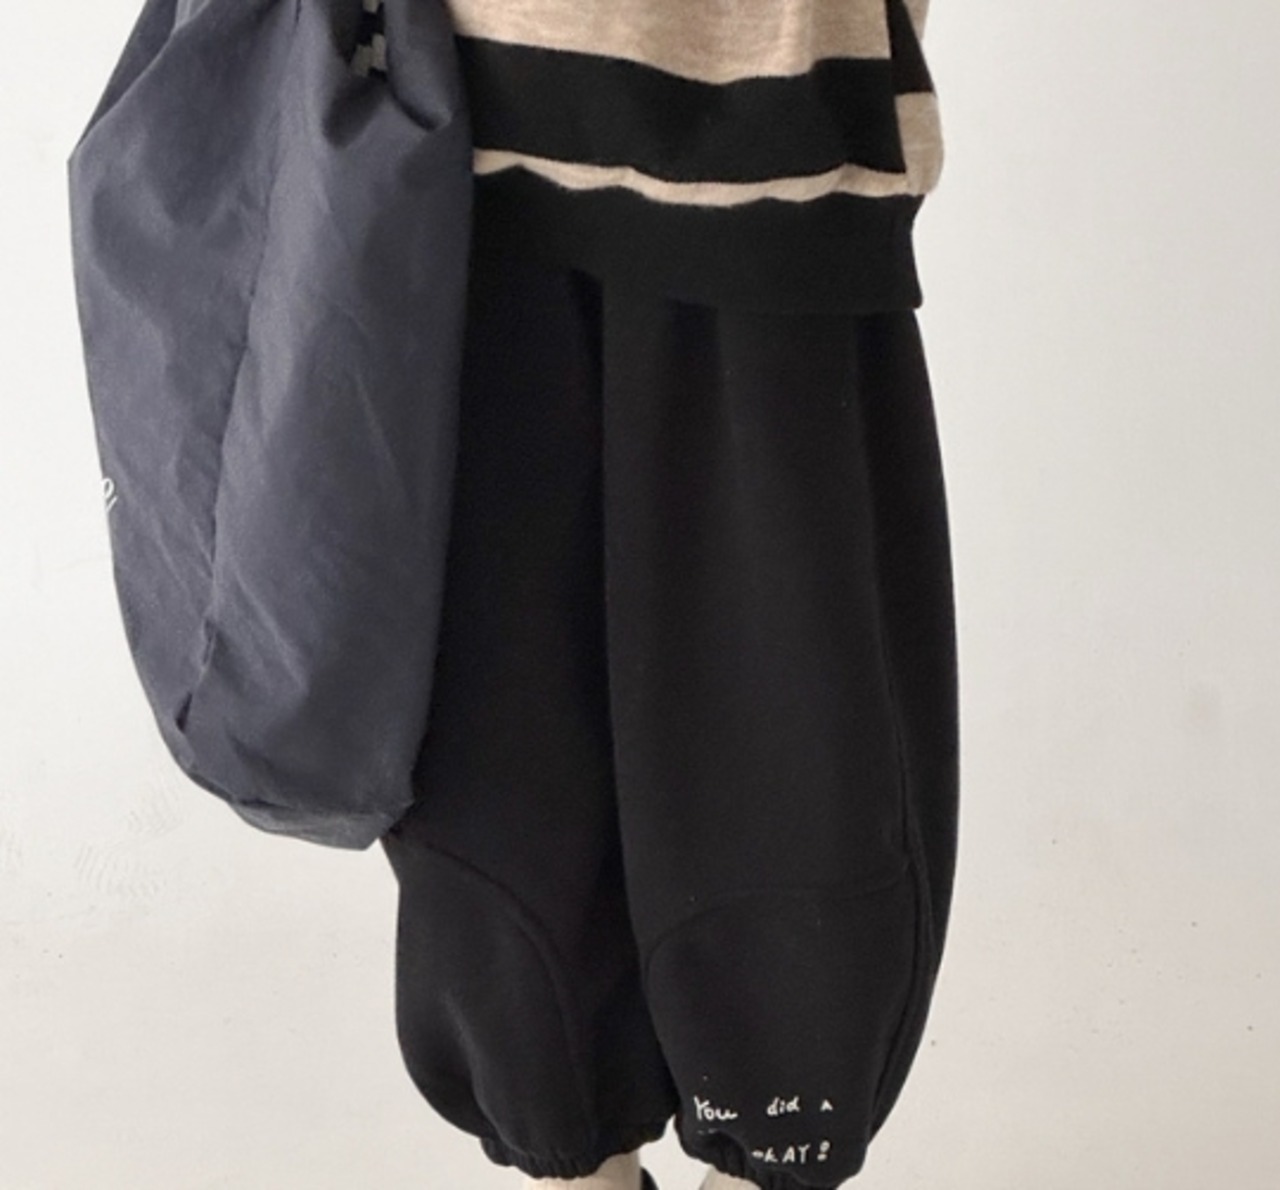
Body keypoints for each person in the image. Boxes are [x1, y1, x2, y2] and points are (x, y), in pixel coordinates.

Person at [376, 2, 959, 1188]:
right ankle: (585, 1157)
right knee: (496, 776)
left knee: (793, 767)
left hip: (761, 132)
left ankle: (757, 1138)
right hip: (453, 133)